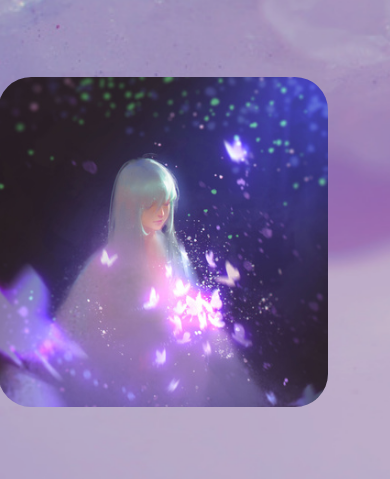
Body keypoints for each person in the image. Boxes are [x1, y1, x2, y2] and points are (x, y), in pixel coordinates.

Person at [51, 157, 261, 406]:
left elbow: (183, 291)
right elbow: (86, 315)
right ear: (131, 207)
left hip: (171, 351)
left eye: (167, 203)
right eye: (152, 205)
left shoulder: (172, 249)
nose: (162, 212)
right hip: (130, 354)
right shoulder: (111, 259)